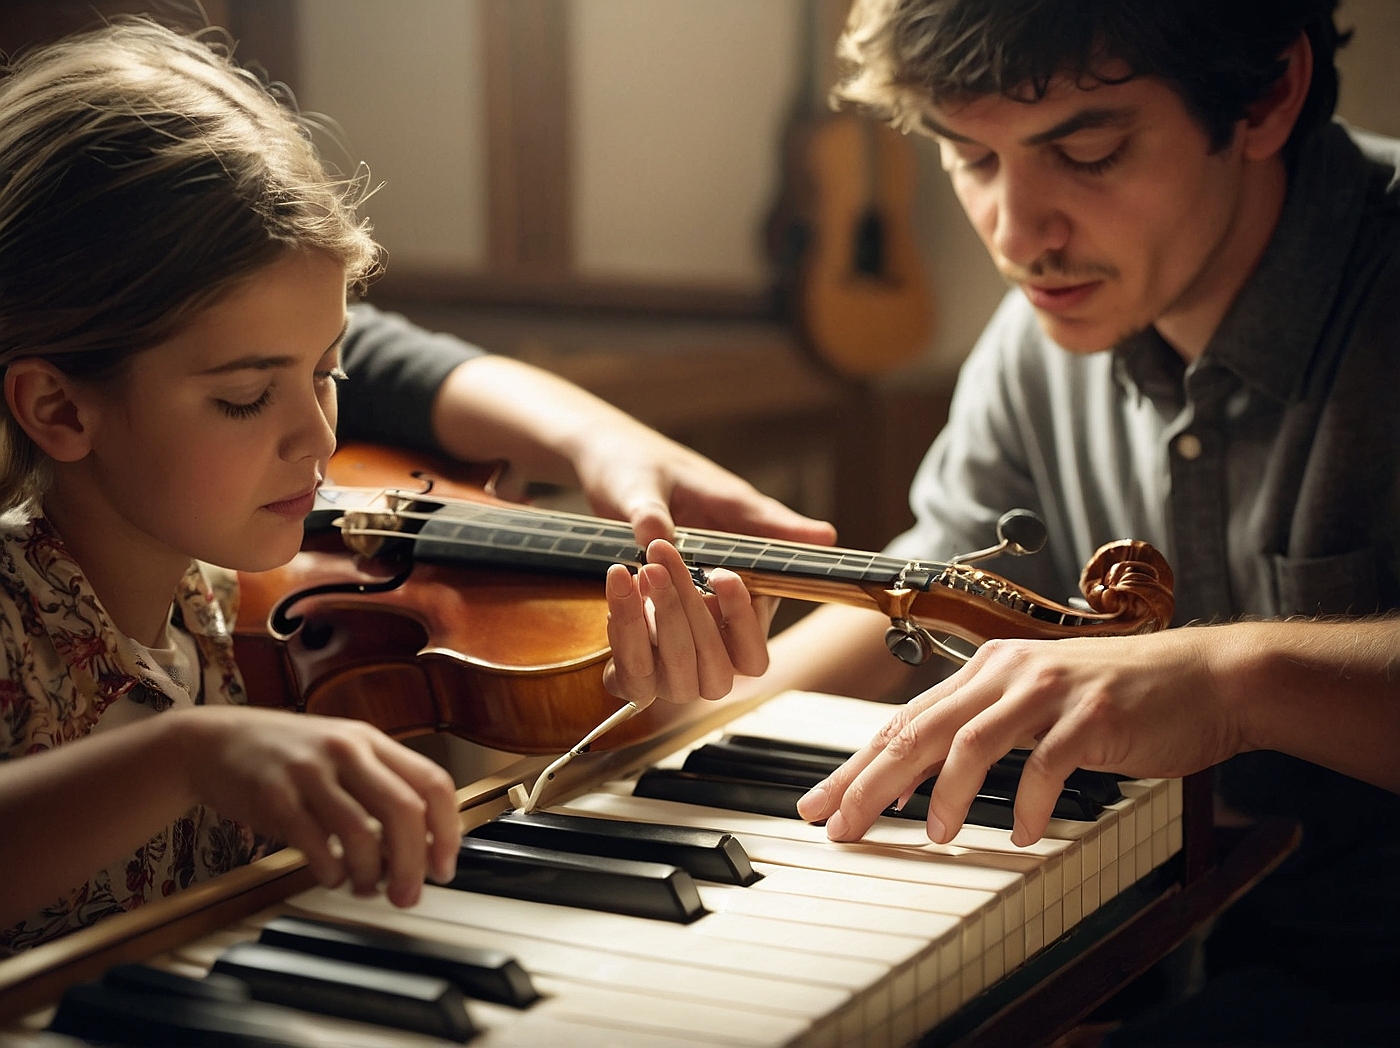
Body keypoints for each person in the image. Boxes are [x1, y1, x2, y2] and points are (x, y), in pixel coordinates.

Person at [0, 18, 828, 956]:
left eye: (327, 373)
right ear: (59, 411)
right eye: (243, 398)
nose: (316, 436)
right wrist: (189, 756)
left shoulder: (218, 605)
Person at [719, 0, 1398, 1038]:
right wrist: (669, 735)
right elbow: (927, 590)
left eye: (1086, 151)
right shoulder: (1037, 333)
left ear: (1265, 95)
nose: (1013, 236)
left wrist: (1228, 679)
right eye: (969, 159)